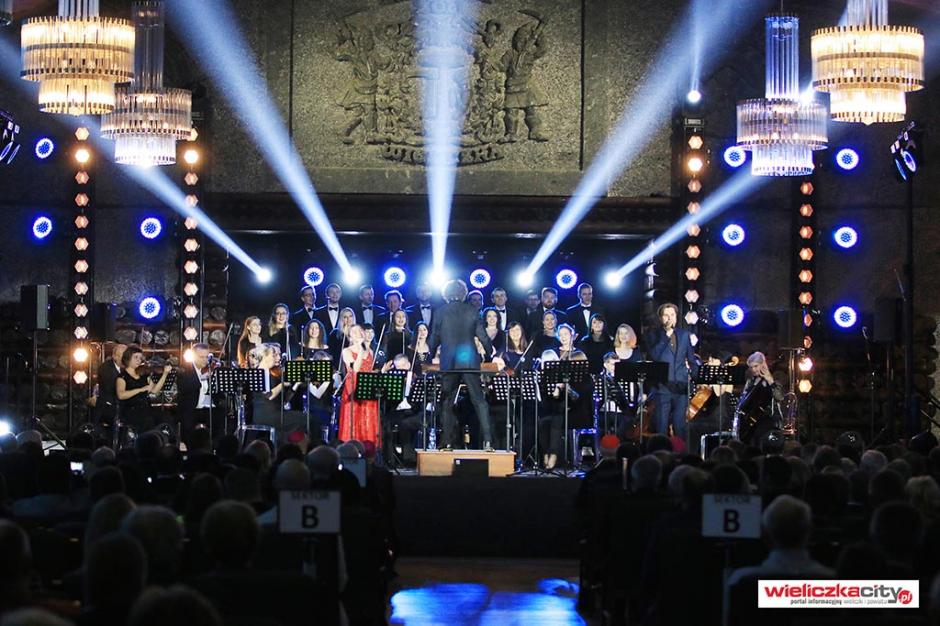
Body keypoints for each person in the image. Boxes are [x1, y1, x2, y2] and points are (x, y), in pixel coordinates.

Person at [430, 279, 494, 451]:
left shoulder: (440, 312)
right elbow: (482, 336)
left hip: (449, 362)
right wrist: (490, 353)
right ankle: (488, 441)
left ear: (446, 294)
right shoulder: (472, 310)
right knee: (479, 401)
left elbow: (434, 337)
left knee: (447, 402)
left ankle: (447, 442)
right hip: (469, 361)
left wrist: (429, 356)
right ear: (464, 293)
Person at [645, 303, 692, 440]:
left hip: (681, 385)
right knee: (662, 425)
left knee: (680, 425)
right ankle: (661, 451)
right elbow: (654, 355)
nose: (670, 318)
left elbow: (690, 358)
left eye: (672, 315)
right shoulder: (653, 335)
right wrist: (666, 336)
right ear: (661, 318)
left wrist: (696, 376)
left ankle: (681, 451)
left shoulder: (684, 335)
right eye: (666, 315)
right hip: (663, 386)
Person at [249, 343, 306, 439]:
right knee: (304, 419)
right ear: (265, 356)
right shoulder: (258, 373)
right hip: (265, 415)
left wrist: (296, 384)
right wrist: (282, 384)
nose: (278, 357)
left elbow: (284, 401)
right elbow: (269, 396)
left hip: (276, 412)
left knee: (305, 418)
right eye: (274, 355)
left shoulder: (270, 374)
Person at [338, 324, 381, 446]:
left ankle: (369, 449)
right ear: (350, 336)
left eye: (360, 331)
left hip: (367, 386)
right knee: (353, 419)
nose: (358, 333)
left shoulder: (370, 351)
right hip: (353, 387)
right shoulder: (346, 351)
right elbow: (355, 369)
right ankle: (351, 448)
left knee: (367, 419)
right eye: (355, 331)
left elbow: (369, 371)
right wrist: (360, 349)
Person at [116, 346, 171, 432]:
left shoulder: (143, 375)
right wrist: (140, 390)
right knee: (147, 422)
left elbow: (154, 390)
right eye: (136, 357)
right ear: (128, 358)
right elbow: (121, 395)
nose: (139, 360)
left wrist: (165, 374)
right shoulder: (122, 377)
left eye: (140, 358)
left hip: (146, 409)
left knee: (165, 418)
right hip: (131, 411)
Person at [735, 351, 784, 446]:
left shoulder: (774, 378)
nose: (753, 370)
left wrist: (770, 381)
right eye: (751, 367)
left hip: (768, 420)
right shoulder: (750, 381)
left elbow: (780, 397)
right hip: (751, 421)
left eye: (756, 366)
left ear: (763, 364)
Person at [176, 343, 221, 443]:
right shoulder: (184, 369)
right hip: (190, 409)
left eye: (206, 357)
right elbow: (185, 388)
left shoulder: (207, 370)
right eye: (201, 357)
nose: (205, 360)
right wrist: (201, 378)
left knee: (220, 418)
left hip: (205, 409)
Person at [94, 343, 127, 427]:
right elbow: (112, 388)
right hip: (108, 408)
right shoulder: (105, 368)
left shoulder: (128, 369)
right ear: (115, 357)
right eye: (124, 356)